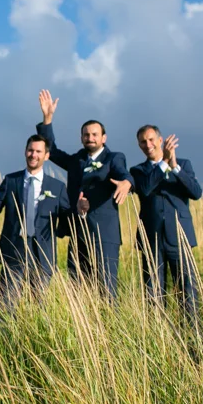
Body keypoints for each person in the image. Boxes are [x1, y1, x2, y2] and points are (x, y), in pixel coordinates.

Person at [36, 89, 133, 299]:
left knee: (106, 291)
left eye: (94, 134)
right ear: (81, 137)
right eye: (86, 135)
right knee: (78, 291)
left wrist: (127, 183)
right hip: (78, 233)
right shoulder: (76, 160)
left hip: (104, 236)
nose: (90, 138)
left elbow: (125, 175)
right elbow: (49, 149)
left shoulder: (114, 158)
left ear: (103, 138)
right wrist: (47, 119)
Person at [129, 125, 203, 331]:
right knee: (153, 291)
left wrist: (174, 166)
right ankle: (158, 335)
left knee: (187, 290)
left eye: (151, 140)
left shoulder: (184, 164)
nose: (148, 145)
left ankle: (191, 335)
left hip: (179, 238)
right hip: (151, 238)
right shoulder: (138, 171)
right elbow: (144, 189)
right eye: (143, 142)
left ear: (160, 141)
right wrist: (163, 164)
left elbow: (196, 193)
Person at [0, 134, 69, 303]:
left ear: (46, 155)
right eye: (30, 150)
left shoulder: (57, 187)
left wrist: (81, 211)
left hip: (43, 253)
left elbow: (67, 218)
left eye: (38, 151)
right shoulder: (11, 181)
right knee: (6, 304)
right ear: (25, 152)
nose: (33, 155)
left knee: (40, 306)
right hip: (14, 249)